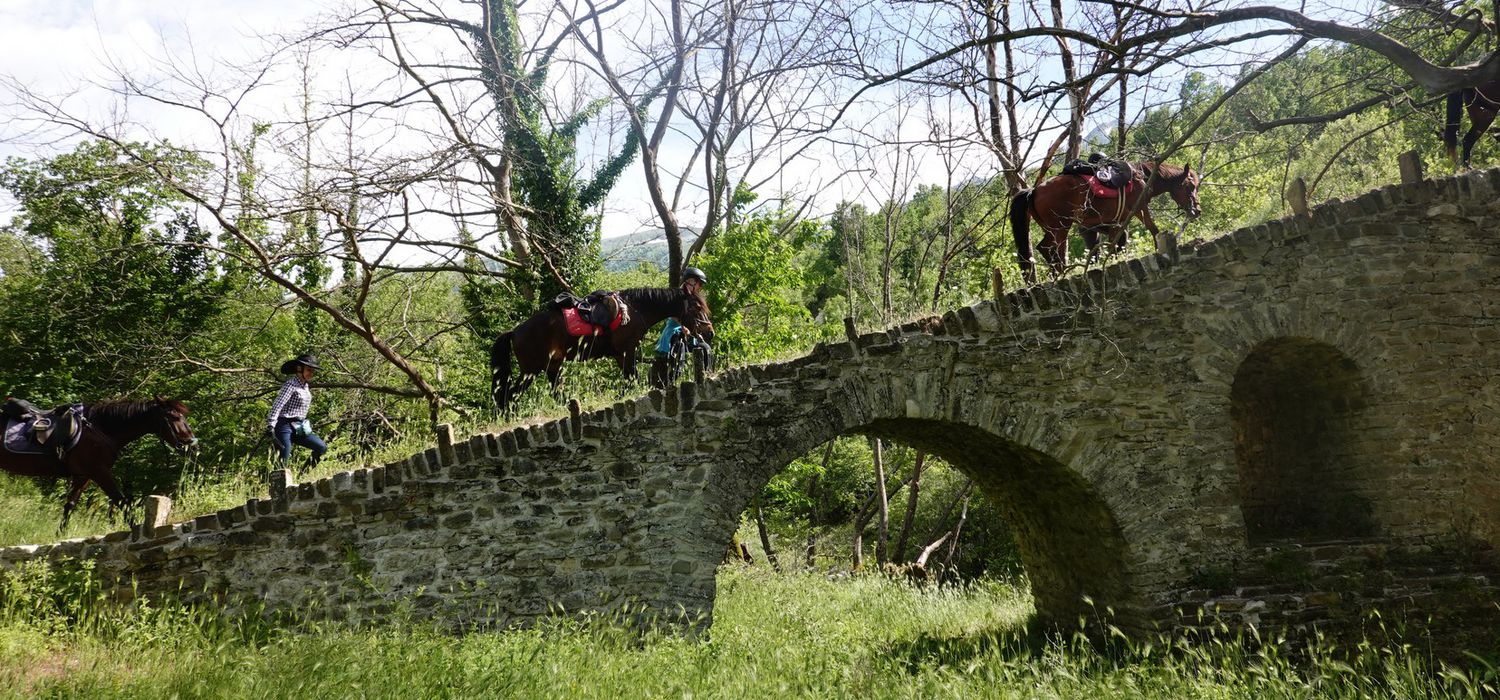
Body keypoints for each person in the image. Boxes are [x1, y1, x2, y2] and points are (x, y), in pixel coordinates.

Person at [652, 267, 711, 387]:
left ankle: (706, 375)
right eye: (698, 283)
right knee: (678, 345)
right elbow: (671, 314)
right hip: (674, 330)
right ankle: (673, 379)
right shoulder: (676, 296)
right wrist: (682, 325)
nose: (700, 286)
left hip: (690, 332)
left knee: (705, 347)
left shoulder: (694, 299)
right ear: (690, 281)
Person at [267, 354, 327, 470]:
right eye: (309, 370)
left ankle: (302, 476)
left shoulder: (305, 386)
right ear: (300, 369)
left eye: (313, 371)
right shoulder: (290, 385)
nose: (311, 373)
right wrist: (271, 425)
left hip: (299, 426)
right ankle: (278, 485)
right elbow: (278, 405)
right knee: (283, 459)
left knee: (321, 447)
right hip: (284, 426)